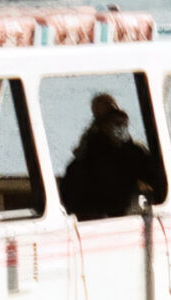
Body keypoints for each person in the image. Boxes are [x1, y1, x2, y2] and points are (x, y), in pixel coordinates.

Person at [58, 92, 160, 221]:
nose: (120, 128)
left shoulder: (136, 153)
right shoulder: (87, 159)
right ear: (102, 126)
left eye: (123, 123)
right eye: (114, 123)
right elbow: (74, 198)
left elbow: (156, 180)